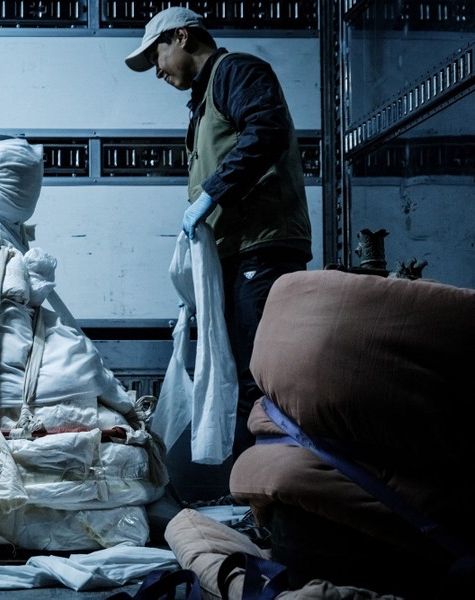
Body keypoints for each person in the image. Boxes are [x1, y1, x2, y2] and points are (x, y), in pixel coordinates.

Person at [125, 8, 312, 460]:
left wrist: (210, 195)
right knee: (241, 374)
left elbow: (266, 130)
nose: (157, 72)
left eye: (157, 57)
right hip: (236, 252)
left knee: (262, 376)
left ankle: (274, 495)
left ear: (183, 37)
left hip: (262, 248)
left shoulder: (237, 71)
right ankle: (254, 494)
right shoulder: (204, 98)